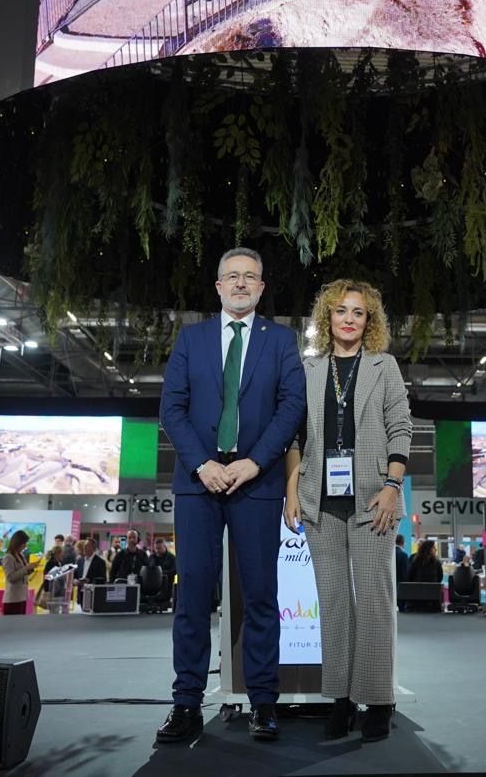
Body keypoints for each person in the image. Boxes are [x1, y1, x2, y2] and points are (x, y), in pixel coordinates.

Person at [157, 246, 306, 745]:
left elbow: (291, 410)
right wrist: (203, 464)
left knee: (262, 596)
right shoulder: (191, 338)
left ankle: (264, 702)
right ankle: (186, 704)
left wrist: (252, 462)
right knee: (193, 597)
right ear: (217, 286)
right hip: (197, 485)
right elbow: (172, 408)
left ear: (262, 288)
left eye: (251, 277)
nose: (241, 283)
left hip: (257, 483)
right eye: (232, 276)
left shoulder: (282, 341)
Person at [284, 278, 413, 744]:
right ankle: (340, 698)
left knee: (375, 604)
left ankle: (379, 699)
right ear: (328, 317)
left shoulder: (385, 366)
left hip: (373, 500)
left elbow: (401, 427)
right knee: (334, 604)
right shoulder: (309, 368)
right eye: (341, 311)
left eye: (358, 312)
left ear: (369, 321)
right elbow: (294, 437)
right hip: (320, 500)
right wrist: (291, 490)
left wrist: (393, 485)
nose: (349, 319)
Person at [0, 531, 32, 615]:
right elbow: (10, 577)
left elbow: (23, 573)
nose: (25, 546)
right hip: (13, 599)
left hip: (22, 597)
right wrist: (26, 568)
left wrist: (30, 569)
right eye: (24, 543)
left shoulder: (21, 555)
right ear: (17, 543)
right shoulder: (8, 557)